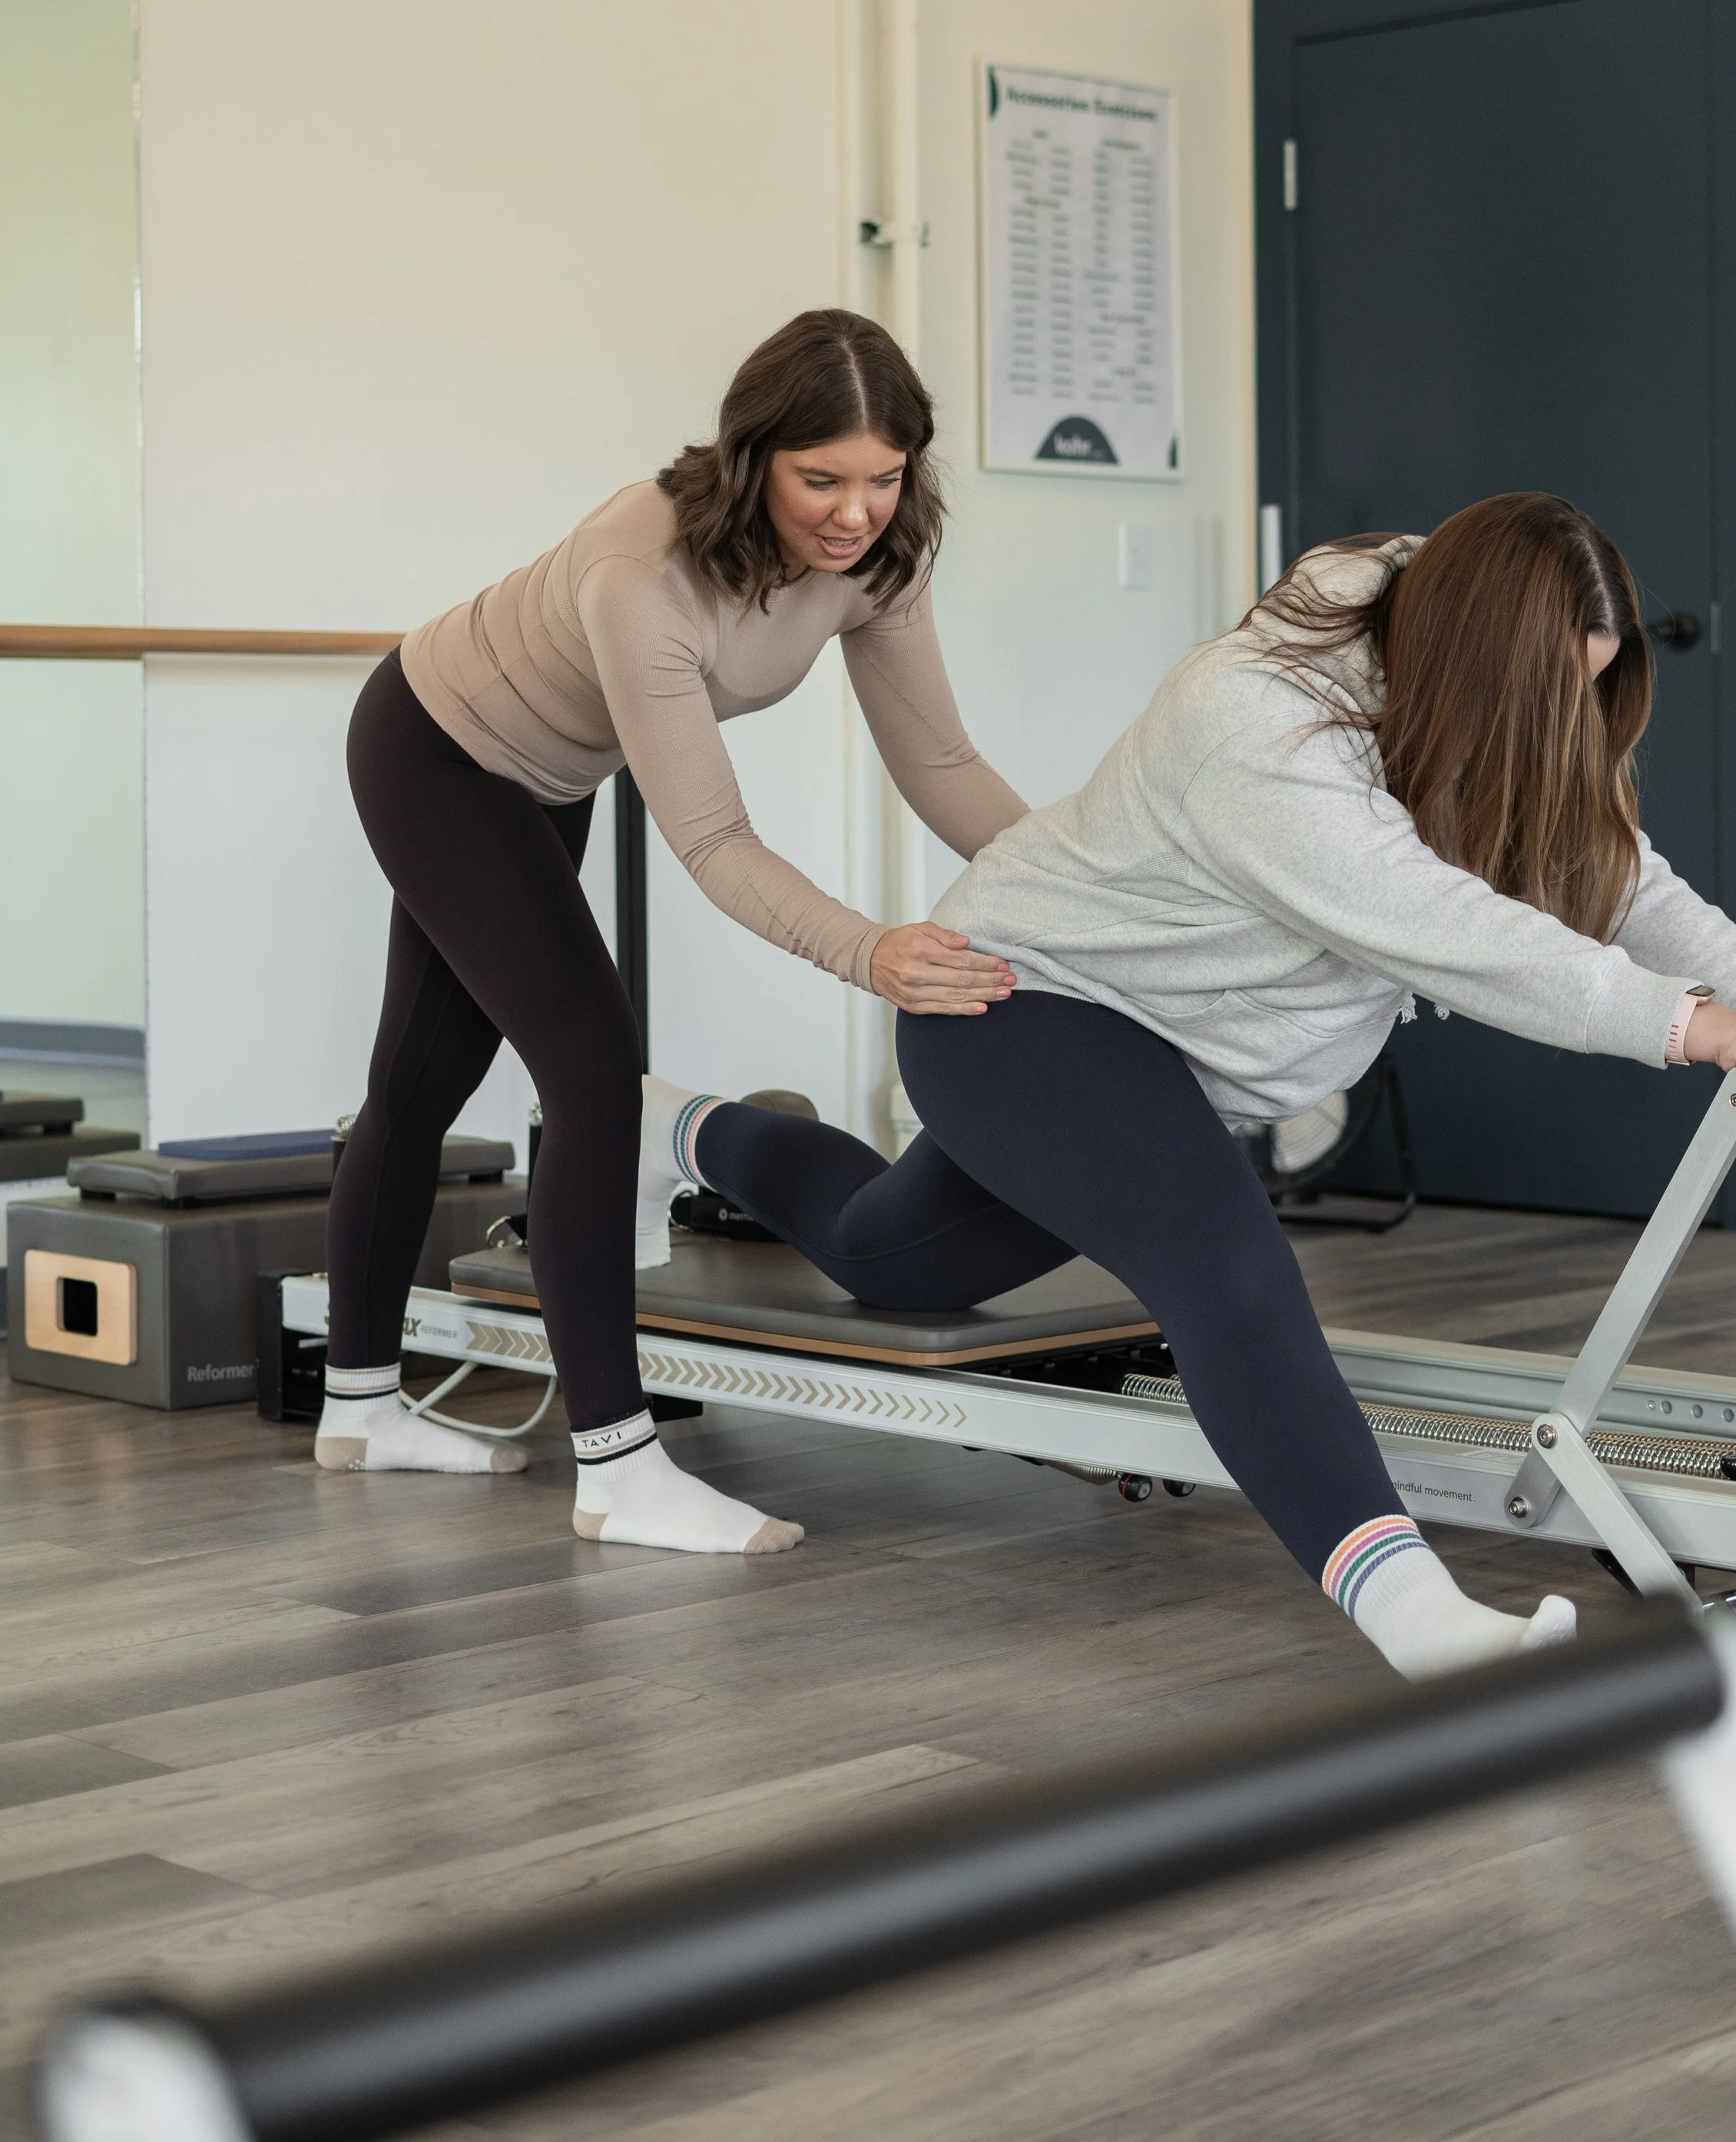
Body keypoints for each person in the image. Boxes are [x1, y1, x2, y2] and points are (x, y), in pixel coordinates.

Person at [641, 492, 1736, 1675]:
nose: (1567, 722)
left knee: (888, 1255)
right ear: (1476, 658)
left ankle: (679, 1128)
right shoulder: (1259, 726)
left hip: (1167, 1054)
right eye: (1554, 693)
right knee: (1219, 1255)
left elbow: (1608, 867)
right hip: (1022, 1003)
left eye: (1591, 691)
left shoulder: (1456, 679)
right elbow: (1451, 929)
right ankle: (1421, 1617)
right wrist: (1685, 1024)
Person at [316, 309, 1025, 1553]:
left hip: (543, 779)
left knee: (421, 1077)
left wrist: (1073, 881)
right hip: (433, 751)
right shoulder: (639, 570)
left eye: (883, 476)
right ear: (751, 459)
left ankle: (360, 1405)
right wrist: (871, 952)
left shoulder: (884, 556)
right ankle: (618, 1468)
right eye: (822, 479)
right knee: (592, 1072)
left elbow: (944, 760)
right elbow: (714, 842)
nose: (855, 511)